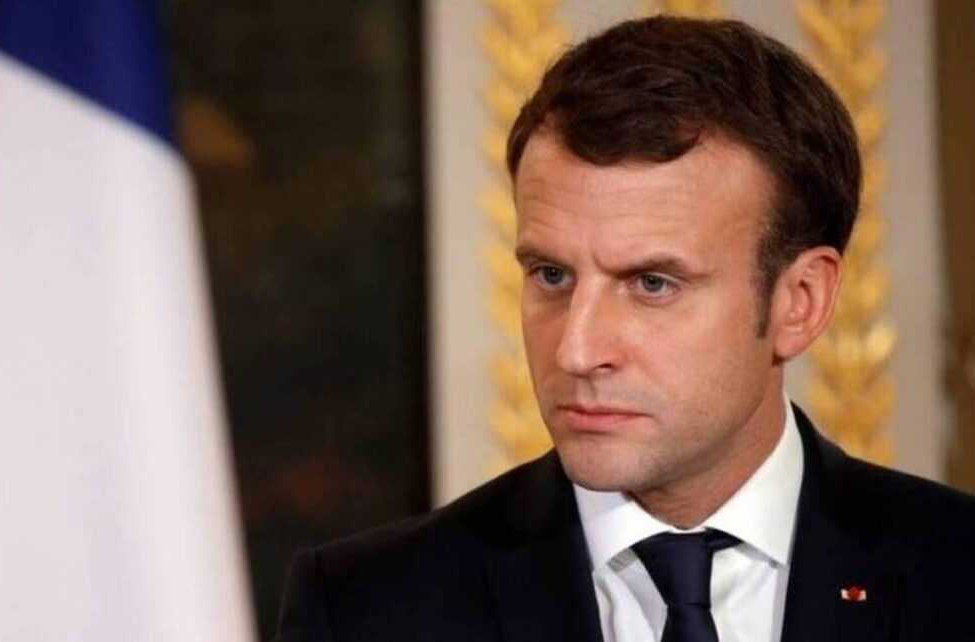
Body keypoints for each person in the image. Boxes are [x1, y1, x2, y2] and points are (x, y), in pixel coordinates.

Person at [274, 15, 975, 642]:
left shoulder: (960, 576)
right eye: (552, 275)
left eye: (652, 284)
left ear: (800, 301)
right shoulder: (367, 610)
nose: (576, 350)